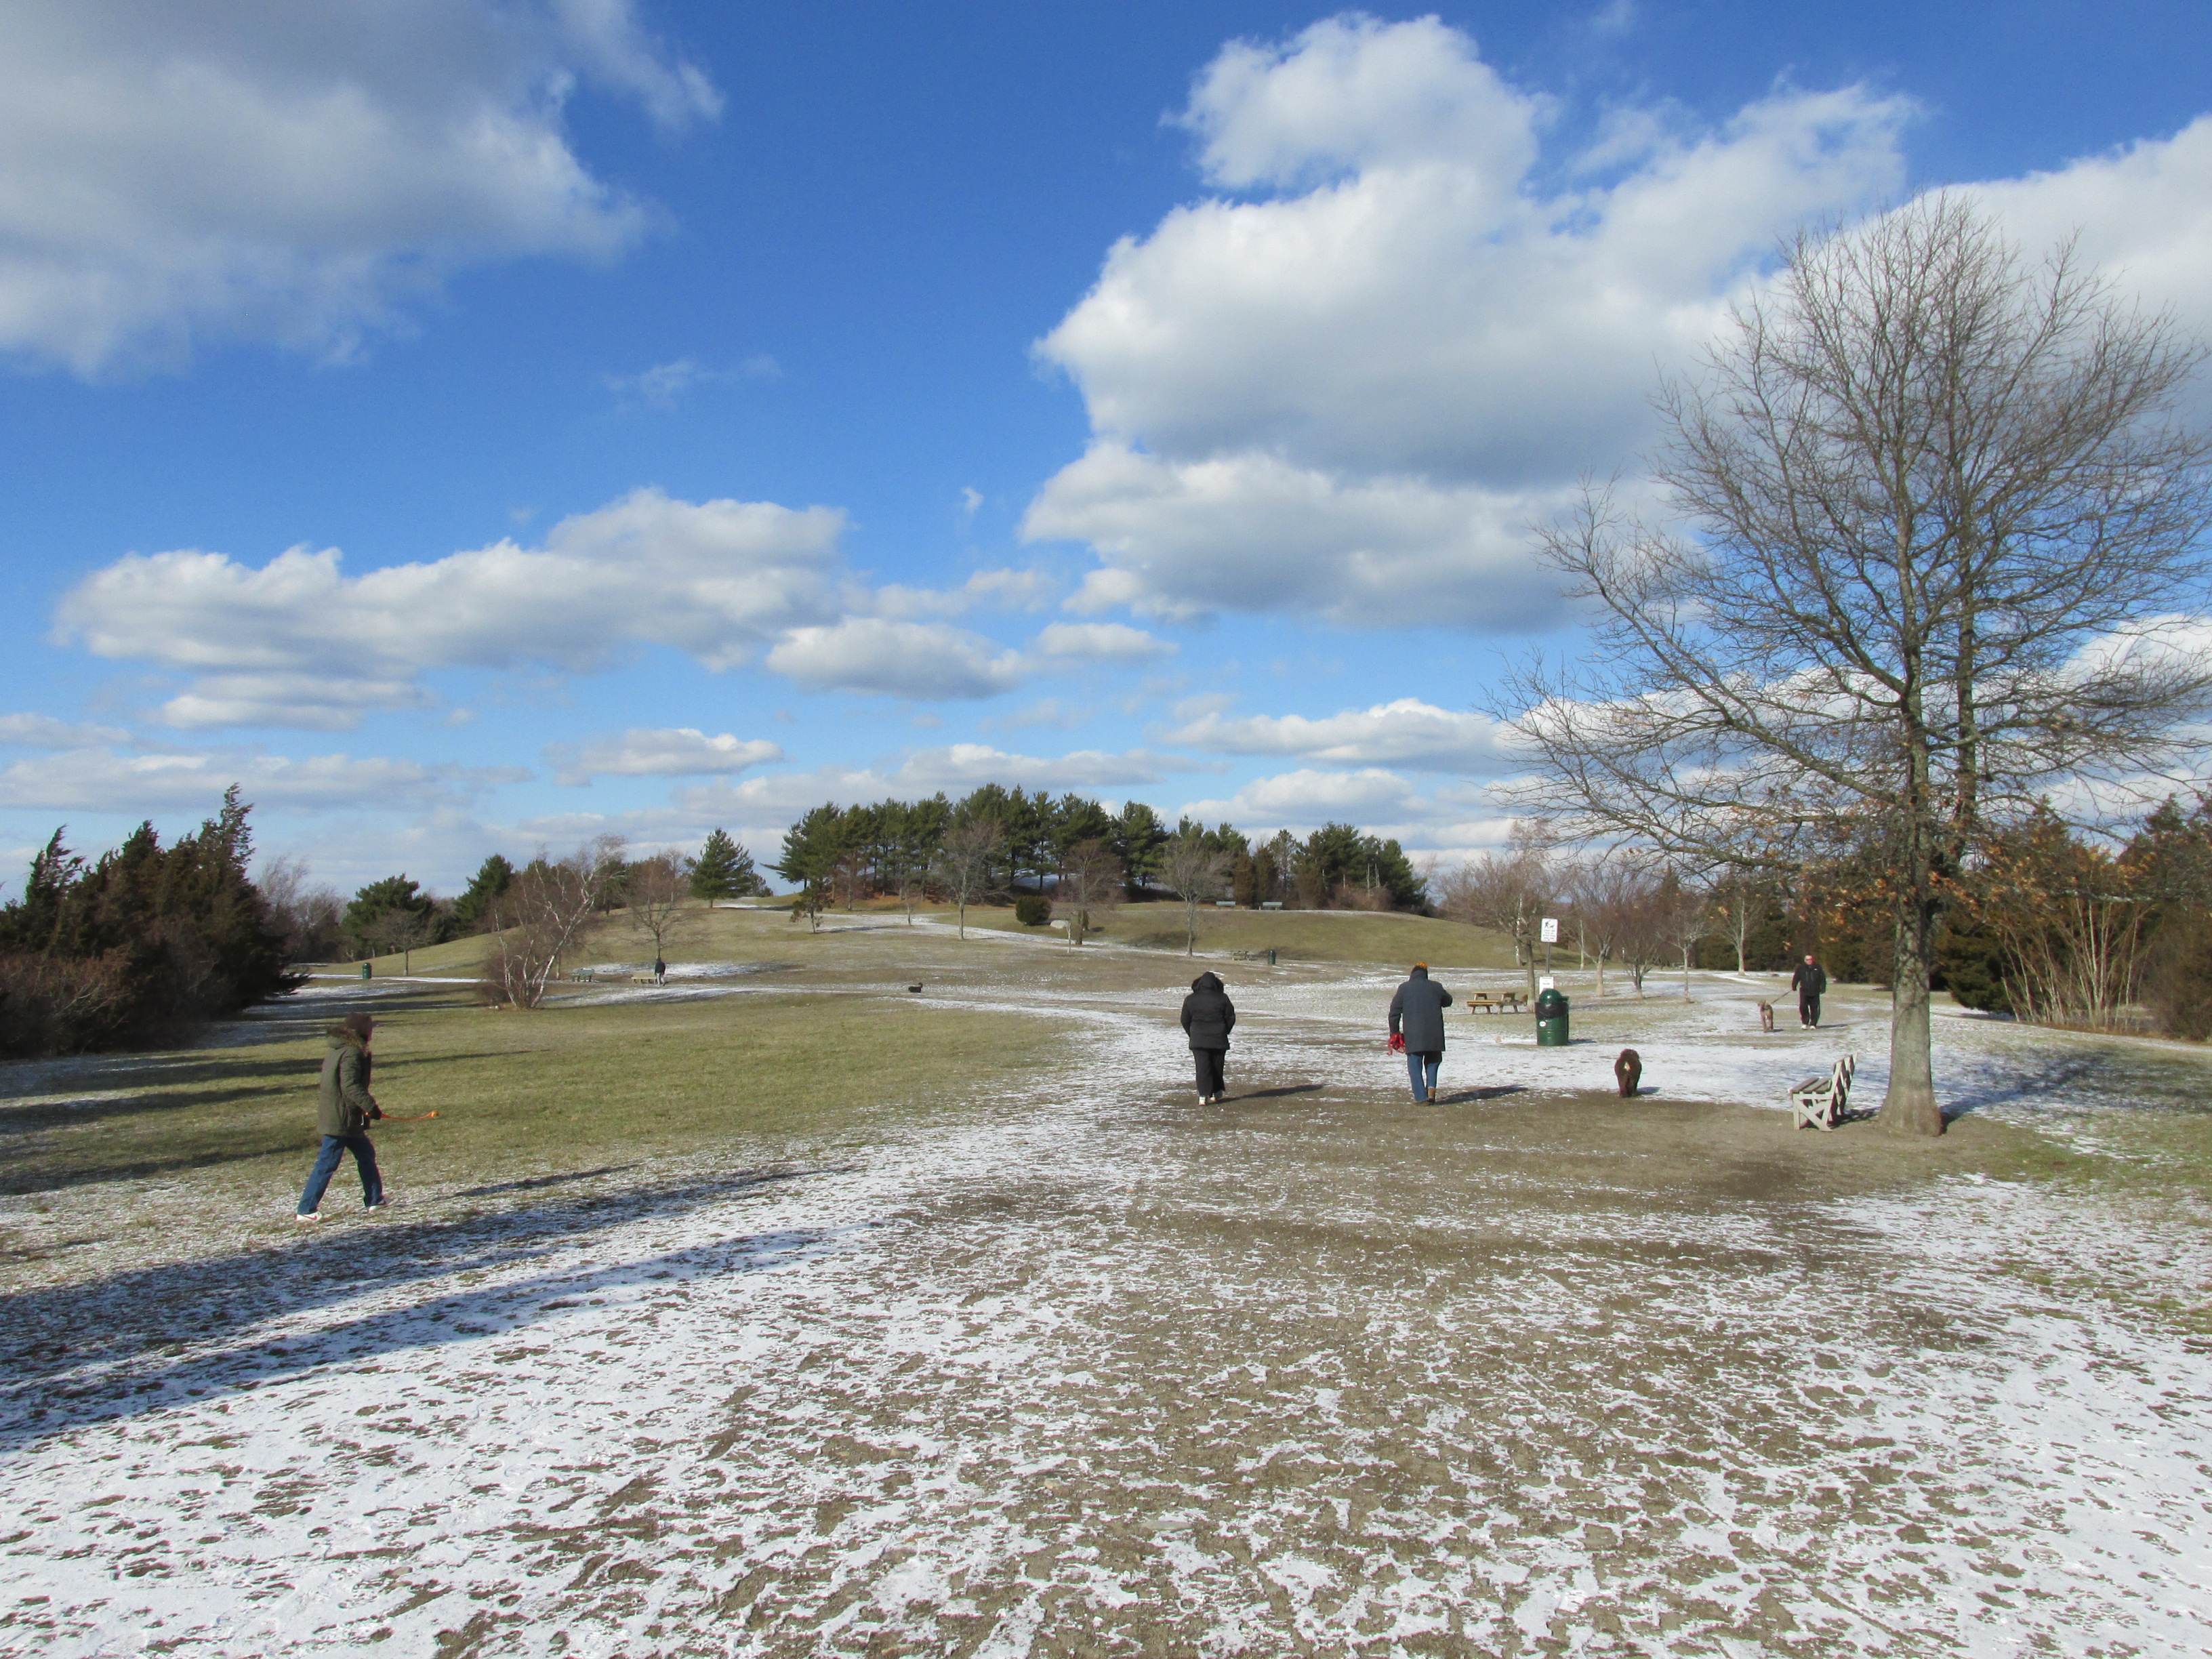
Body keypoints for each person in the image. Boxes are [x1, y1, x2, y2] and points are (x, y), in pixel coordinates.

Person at [297, 1011, 388, 1222]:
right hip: (341, 1118)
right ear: (361, 1031)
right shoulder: (351, 1053)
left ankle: (375, 1200)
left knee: (366, 1154)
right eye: (370, 1028)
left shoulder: (340, 1049)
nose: (372, 1031)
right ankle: (306, 1209)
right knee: (327, 1163)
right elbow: (350, 1086)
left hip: (347, 1117)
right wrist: (371, 1107)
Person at [1389, 962, 1454, 1103]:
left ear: (1412, 975)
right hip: (1434, 1034)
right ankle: (1431, 1091)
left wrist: (1394, 1033)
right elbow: (1448, 1001)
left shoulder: (1404, 988)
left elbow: (1394, 1013)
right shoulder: (1436, 987)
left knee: (1415, 1066)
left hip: (1413, 1035)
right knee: (1433, 1062)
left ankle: (1421, 1097)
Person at [1180, 970, 1235, 1103]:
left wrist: (1192, 1034)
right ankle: (1215, 1092)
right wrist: (1225, 1030)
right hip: (1218, 1038)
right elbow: (1231, 1017)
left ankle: (1203, 1094)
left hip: (1198, 1039)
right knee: (1217, 1066)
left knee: (1202, 1067)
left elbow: (1185, 1020)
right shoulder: (1223, 998)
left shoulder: (1190, 999)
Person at [1790, 954, 1828, 1028]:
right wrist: (1794, 986)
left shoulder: (1818, 967)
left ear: (1813, 960)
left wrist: (1823, 988)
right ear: (1805, 961)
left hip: (1815, 991)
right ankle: (1805, 1022)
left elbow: (1822, 979)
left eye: (1810, 959)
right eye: (1807, 960)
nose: (1809, 961)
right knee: (1803, 1007)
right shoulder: (1801, 968)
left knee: (1814, 1008)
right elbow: (1796, 978)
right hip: (1804, 991)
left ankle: (1813, 1024)